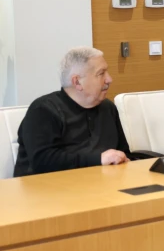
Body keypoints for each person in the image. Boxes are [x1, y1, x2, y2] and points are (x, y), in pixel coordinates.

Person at [14, 47, 130, 177]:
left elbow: (123, 152)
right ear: (77, 82)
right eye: (101, 73)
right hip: (47, 186)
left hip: (100, 183)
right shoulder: (43, 110)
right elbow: (43, 162)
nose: (109, 79)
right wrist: (98, 159)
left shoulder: (108, 108)